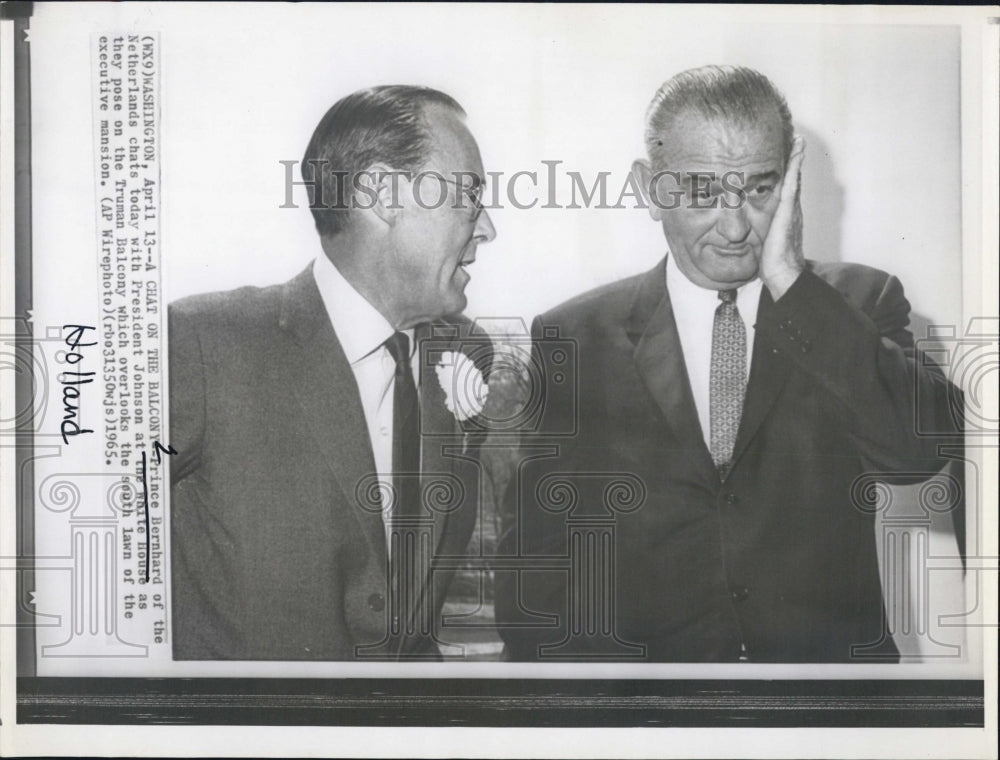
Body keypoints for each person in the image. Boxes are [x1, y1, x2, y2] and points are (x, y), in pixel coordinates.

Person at [495, 65, 960, 663]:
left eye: (761, 189)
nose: (737, 226)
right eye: (702, 192)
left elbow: (920, 453)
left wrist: (791, 284)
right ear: (649, 187)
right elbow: (535, 571)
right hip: (648, 716)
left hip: (821, 714)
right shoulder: (573, 337)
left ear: (792, 182)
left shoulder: (858, 305)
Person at [169, 85, 497, 660]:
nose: (487, 228)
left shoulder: (468, 353)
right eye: (469, 196)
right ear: (381, 195)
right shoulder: (200, 345)